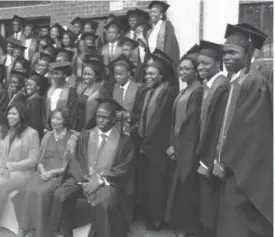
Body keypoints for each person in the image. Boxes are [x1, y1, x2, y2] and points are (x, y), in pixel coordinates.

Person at [213, 23, 272, 237]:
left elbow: (250, 133)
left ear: (247, 54)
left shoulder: (254, 83)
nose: (226, 57)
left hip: (243, 170)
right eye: (224, 53)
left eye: (232, 52)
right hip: (231, 167)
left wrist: (226, 163)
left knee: (239, 224)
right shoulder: (237, 80)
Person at [48, 98, 134, 237]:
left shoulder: (124, 141)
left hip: (108, 182)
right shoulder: (86, 135)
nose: (100, 120)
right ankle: (64, 233)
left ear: (113, 120)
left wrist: (99, 181)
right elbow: (77, 160)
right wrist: (85, 181)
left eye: (104, 117)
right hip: (83, 178)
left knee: (103, 203)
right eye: (98, 116)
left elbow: (123, 168)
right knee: (60, 195)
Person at [0, 103, 40, 237]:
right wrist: (0, 167)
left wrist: (8, 167)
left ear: (21, 115)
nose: (10, 116)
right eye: (9, 113)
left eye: (14, 114)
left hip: (23, 171)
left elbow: (33, 160)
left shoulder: (32, 133)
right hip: (2, 166)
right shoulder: (4, 130)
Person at [14, 109, 78, 237]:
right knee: (26, 190)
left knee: (41, 193)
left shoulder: (72, 138)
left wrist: (51, 173)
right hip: (43, 171)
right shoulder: (47, 136)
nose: (55, 121)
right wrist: (42, 170)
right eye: (53, 118)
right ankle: (26, 228)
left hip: (60, 174)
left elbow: (69, 166)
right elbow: (40, 159)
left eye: (59, 119)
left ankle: (40, 232)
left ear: (65, 120)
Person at [135, 52, 178, 231]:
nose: (148, 77)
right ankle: (150, 214)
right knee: (148, 183)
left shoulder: (168, 91)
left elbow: (162, 121)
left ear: (162, 75)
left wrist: (149, 142)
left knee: (158, 184)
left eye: (152, 74)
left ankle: (158, 219)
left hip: (158, 146)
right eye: (147, 73)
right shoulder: (150, 91)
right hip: (147, 145)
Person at [165, 53, 204, 237]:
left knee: (186, 189)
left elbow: (190, 124)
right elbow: (174, 121)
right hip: (177, 147)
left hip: (188, 149)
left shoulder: (198, 91)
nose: (182, 72)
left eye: (187, 69)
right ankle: (180, 228)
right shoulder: (184, 90)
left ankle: (187, 230)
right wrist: (171, 144)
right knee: (177, 189)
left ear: (196, 71)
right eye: (180, 68)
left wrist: (177, 147)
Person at [195, 40, 229, 237]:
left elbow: (217, 126)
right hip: (204, 151)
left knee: (211, 199)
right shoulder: (210, 85)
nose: (200, 67)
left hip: (211, 154)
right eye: (199, 63)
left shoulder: (221, 86)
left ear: (217, 63)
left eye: (205, 63)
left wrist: (208, 159)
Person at [45, 61, 78, 131]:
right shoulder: (49, 90)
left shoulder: (71, 91)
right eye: (53, 74)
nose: (54, 76)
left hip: (64, 129)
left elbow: (72, 112)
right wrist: (46, 125)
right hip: (49, 129)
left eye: (57, 74)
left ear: (65, 75)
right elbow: (44, 110)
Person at [146, 1, 180, 68]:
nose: (152, 14)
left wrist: (165, 61)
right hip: (153, 62)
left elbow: (170, 45)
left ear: (161, 15)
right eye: (151, 12)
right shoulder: (149, 31)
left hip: (164, 61)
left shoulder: (166, 25)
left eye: (155, 12)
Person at [74, 58, 103, 131]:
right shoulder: (82, 89)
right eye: (84, 74)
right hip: (79, 128)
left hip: (92, 129)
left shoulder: (101, 92)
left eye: (89, 74)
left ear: (96, 76)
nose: (85, 77)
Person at [25, 73, 48, 138]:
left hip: (33, 133)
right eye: (27, 85)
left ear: (38, 87)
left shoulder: (35, 99)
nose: (27, 87)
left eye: (30, 85)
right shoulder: (38, 98)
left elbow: (35, 121)